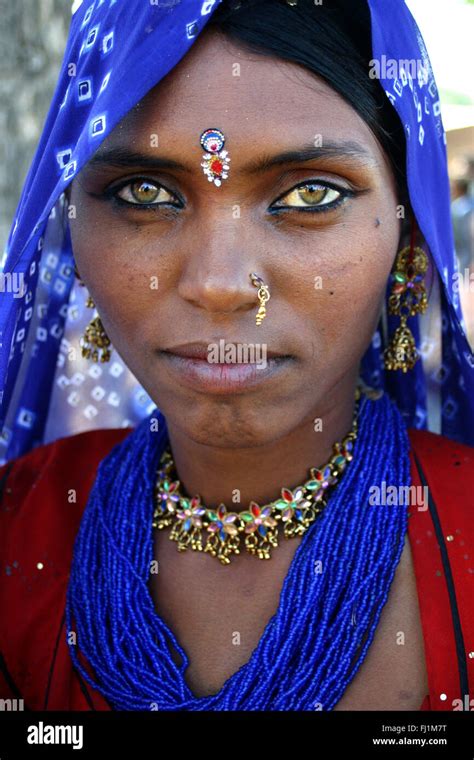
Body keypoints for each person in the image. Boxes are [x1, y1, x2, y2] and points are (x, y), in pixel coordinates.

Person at [0, 0, 472, 712]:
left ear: (409, 239)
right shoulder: (19, 523)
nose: (221, 285)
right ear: (74, 243)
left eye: (310, 193)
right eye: (145, 193)